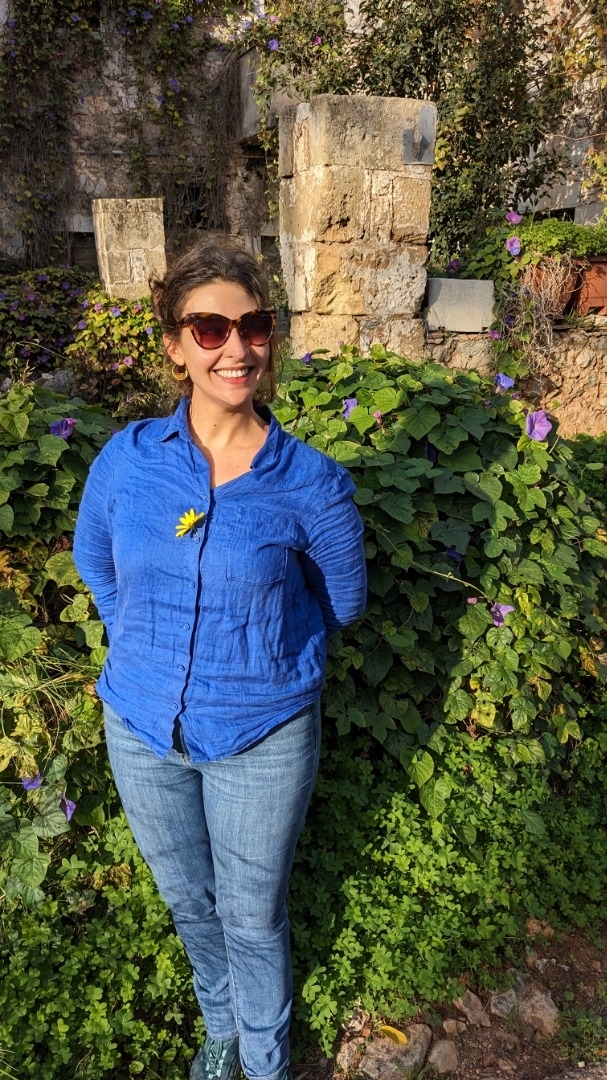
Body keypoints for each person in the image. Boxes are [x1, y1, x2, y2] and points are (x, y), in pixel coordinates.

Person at [73, 239, 367, 1080]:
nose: (235, 348)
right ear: (175, 345)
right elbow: (95, 560)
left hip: (258, 736)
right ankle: (220, 1030)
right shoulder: (127, 461)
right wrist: (142, 642)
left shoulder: (312, 484)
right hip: (140, 727)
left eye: (254, 326)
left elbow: (342, 602)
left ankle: (265, 1060)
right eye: (209, 329)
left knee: (250, 916)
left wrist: (259, 652)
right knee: (189, 904)